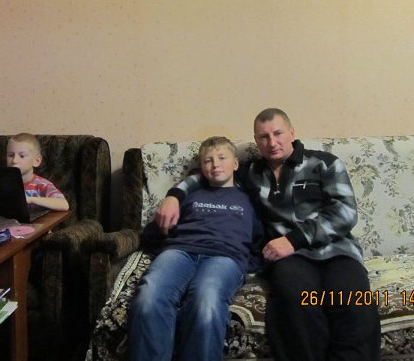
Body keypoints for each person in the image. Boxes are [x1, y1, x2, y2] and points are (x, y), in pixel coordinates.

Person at [156, 109, 381, 361]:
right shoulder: (251, 172)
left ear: (292, 133)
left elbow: (345, 212)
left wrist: (294, 240)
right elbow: (210, 175)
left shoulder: (324, 162)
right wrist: (174, 196)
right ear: (256, 141)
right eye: (264, 137)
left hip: (336, 250)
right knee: (295, 302)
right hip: (289, 259)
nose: (272, 142)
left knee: (354, 303)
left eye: (278, 133)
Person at [128, 136, 264, 361]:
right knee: (149, 296)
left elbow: (259, 240)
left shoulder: (249, 199)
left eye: (222, 158)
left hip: (225, 257)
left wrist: (248, 264)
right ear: (201, 167)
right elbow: (153, 233)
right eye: (208, 160)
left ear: (235, 164)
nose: (215, 164)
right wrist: (162, 229)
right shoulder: (189, 194)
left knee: (206, 300)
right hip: (180, 251)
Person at [6, 133, 69, 211]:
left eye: (22, 156)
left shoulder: (42, 184)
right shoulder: (3, 183)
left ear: (36, 161)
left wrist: (30, 199)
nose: (14, 161)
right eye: (11, 155)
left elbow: (64, 204)